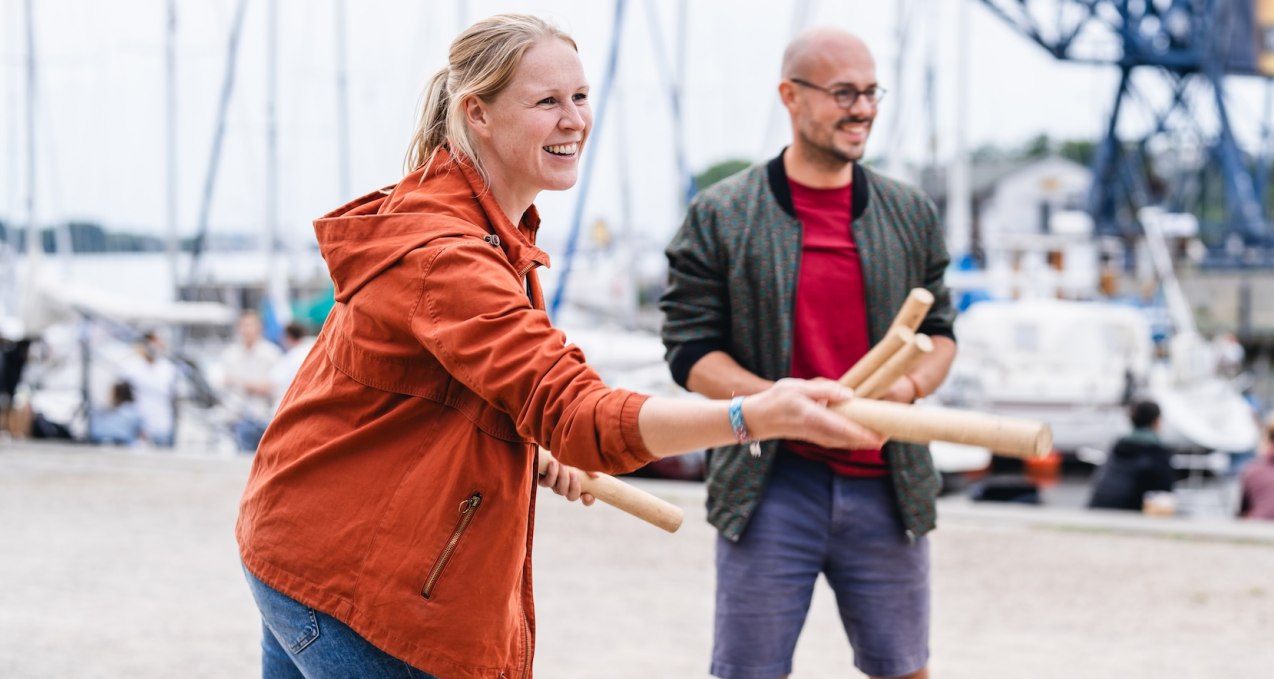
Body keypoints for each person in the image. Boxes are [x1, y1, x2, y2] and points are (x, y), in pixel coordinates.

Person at [235, 15, 883, 678]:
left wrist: (528, 439)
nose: (573, 119)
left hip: (299, 537)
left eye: (579, 97)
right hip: (355, 581)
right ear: (477, 114)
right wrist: (755, 412)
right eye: (546, 101)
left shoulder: (470, 225)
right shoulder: (446, 255)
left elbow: (432, 388)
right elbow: (578, 412)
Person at [661, 27, 957, 679]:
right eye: (844, 93)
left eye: (872, 91)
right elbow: (690, 350)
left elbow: (940, 335)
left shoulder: (909, 211)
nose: (864, 109)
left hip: (889, 481)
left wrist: (903, 394)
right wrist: (778, 406)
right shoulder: (722, 214)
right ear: (790, 97)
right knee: (747, 671)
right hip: (768, 483)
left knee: (904, 669)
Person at [1088, 401, 1178, 512]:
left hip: (1096, 507)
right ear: (1156, 422)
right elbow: (1165, 493)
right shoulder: (1157, 452)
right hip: (1127, 512)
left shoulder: (1119, 445)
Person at [217, 311, 283, 451]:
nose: (247, 329)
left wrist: (239, 382)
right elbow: (223, 383)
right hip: (236, 416)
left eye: (250, 325)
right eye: (243, 325)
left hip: (263, 416)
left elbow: (270, 386)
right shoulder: (230, 354)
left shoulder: (271, 353)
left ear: (259, 328)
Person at [118, 331, 180, 447]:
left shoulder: (168, 368)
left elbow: (175, 396)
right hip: (139, 425)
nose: (154, 347)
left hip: (164, 425)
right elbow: (120, 393)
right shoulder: (132, 366)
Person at [268, 322, 315, 413]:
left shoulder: (292, 357)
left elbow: (270, 384)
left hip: (292, 406)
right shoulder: (315, 345)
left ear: (287, 337)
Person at [88, 381, 141, 445]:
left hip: (120, 445)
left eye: (112, 393)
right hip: (101, 442)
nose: (109, 396)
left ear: (117, 394)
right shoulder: (102, 411)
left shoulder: (131, 413)